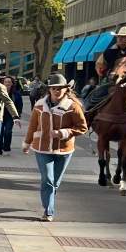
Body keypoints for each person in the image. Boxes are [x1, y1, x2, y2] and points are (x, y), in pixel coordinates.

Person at [22, 73, 87, 222]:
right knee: (47, 180)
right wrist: (27, 143)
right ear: (49, 89)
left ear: (66, 89)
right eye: (54, 88)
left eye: (60, 88)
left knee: (55, 182)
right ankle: (48, 211)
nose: (57, 91)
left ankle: (49, 198)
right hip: (42, 147)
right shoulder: (39, 105)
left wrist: (63, 133)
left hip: (64, 150)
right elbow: (32, 125)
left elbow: (82, 128)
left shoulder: (73, 106)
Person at [83, 26, 126, 114]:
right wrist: (103, 72)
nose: (119, 39)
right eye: (118, 37)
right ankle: (86, 114)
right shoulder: (110, 52)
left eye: (123, 37)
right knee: (95, 95)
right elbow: (99, 65)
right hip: (111, 80)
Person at [0, 75, 24, 154]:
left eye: (9, 82)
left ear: (12, 84)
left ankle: (6, 147)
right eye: (5, 82)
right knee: (0, 132)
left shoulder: (16, 94)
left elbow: (20, 105)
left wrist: (17, 116)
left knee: (8, 131)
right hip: (0, 115)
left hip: (11, 116)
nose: (7, 83)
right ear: (3, 83)